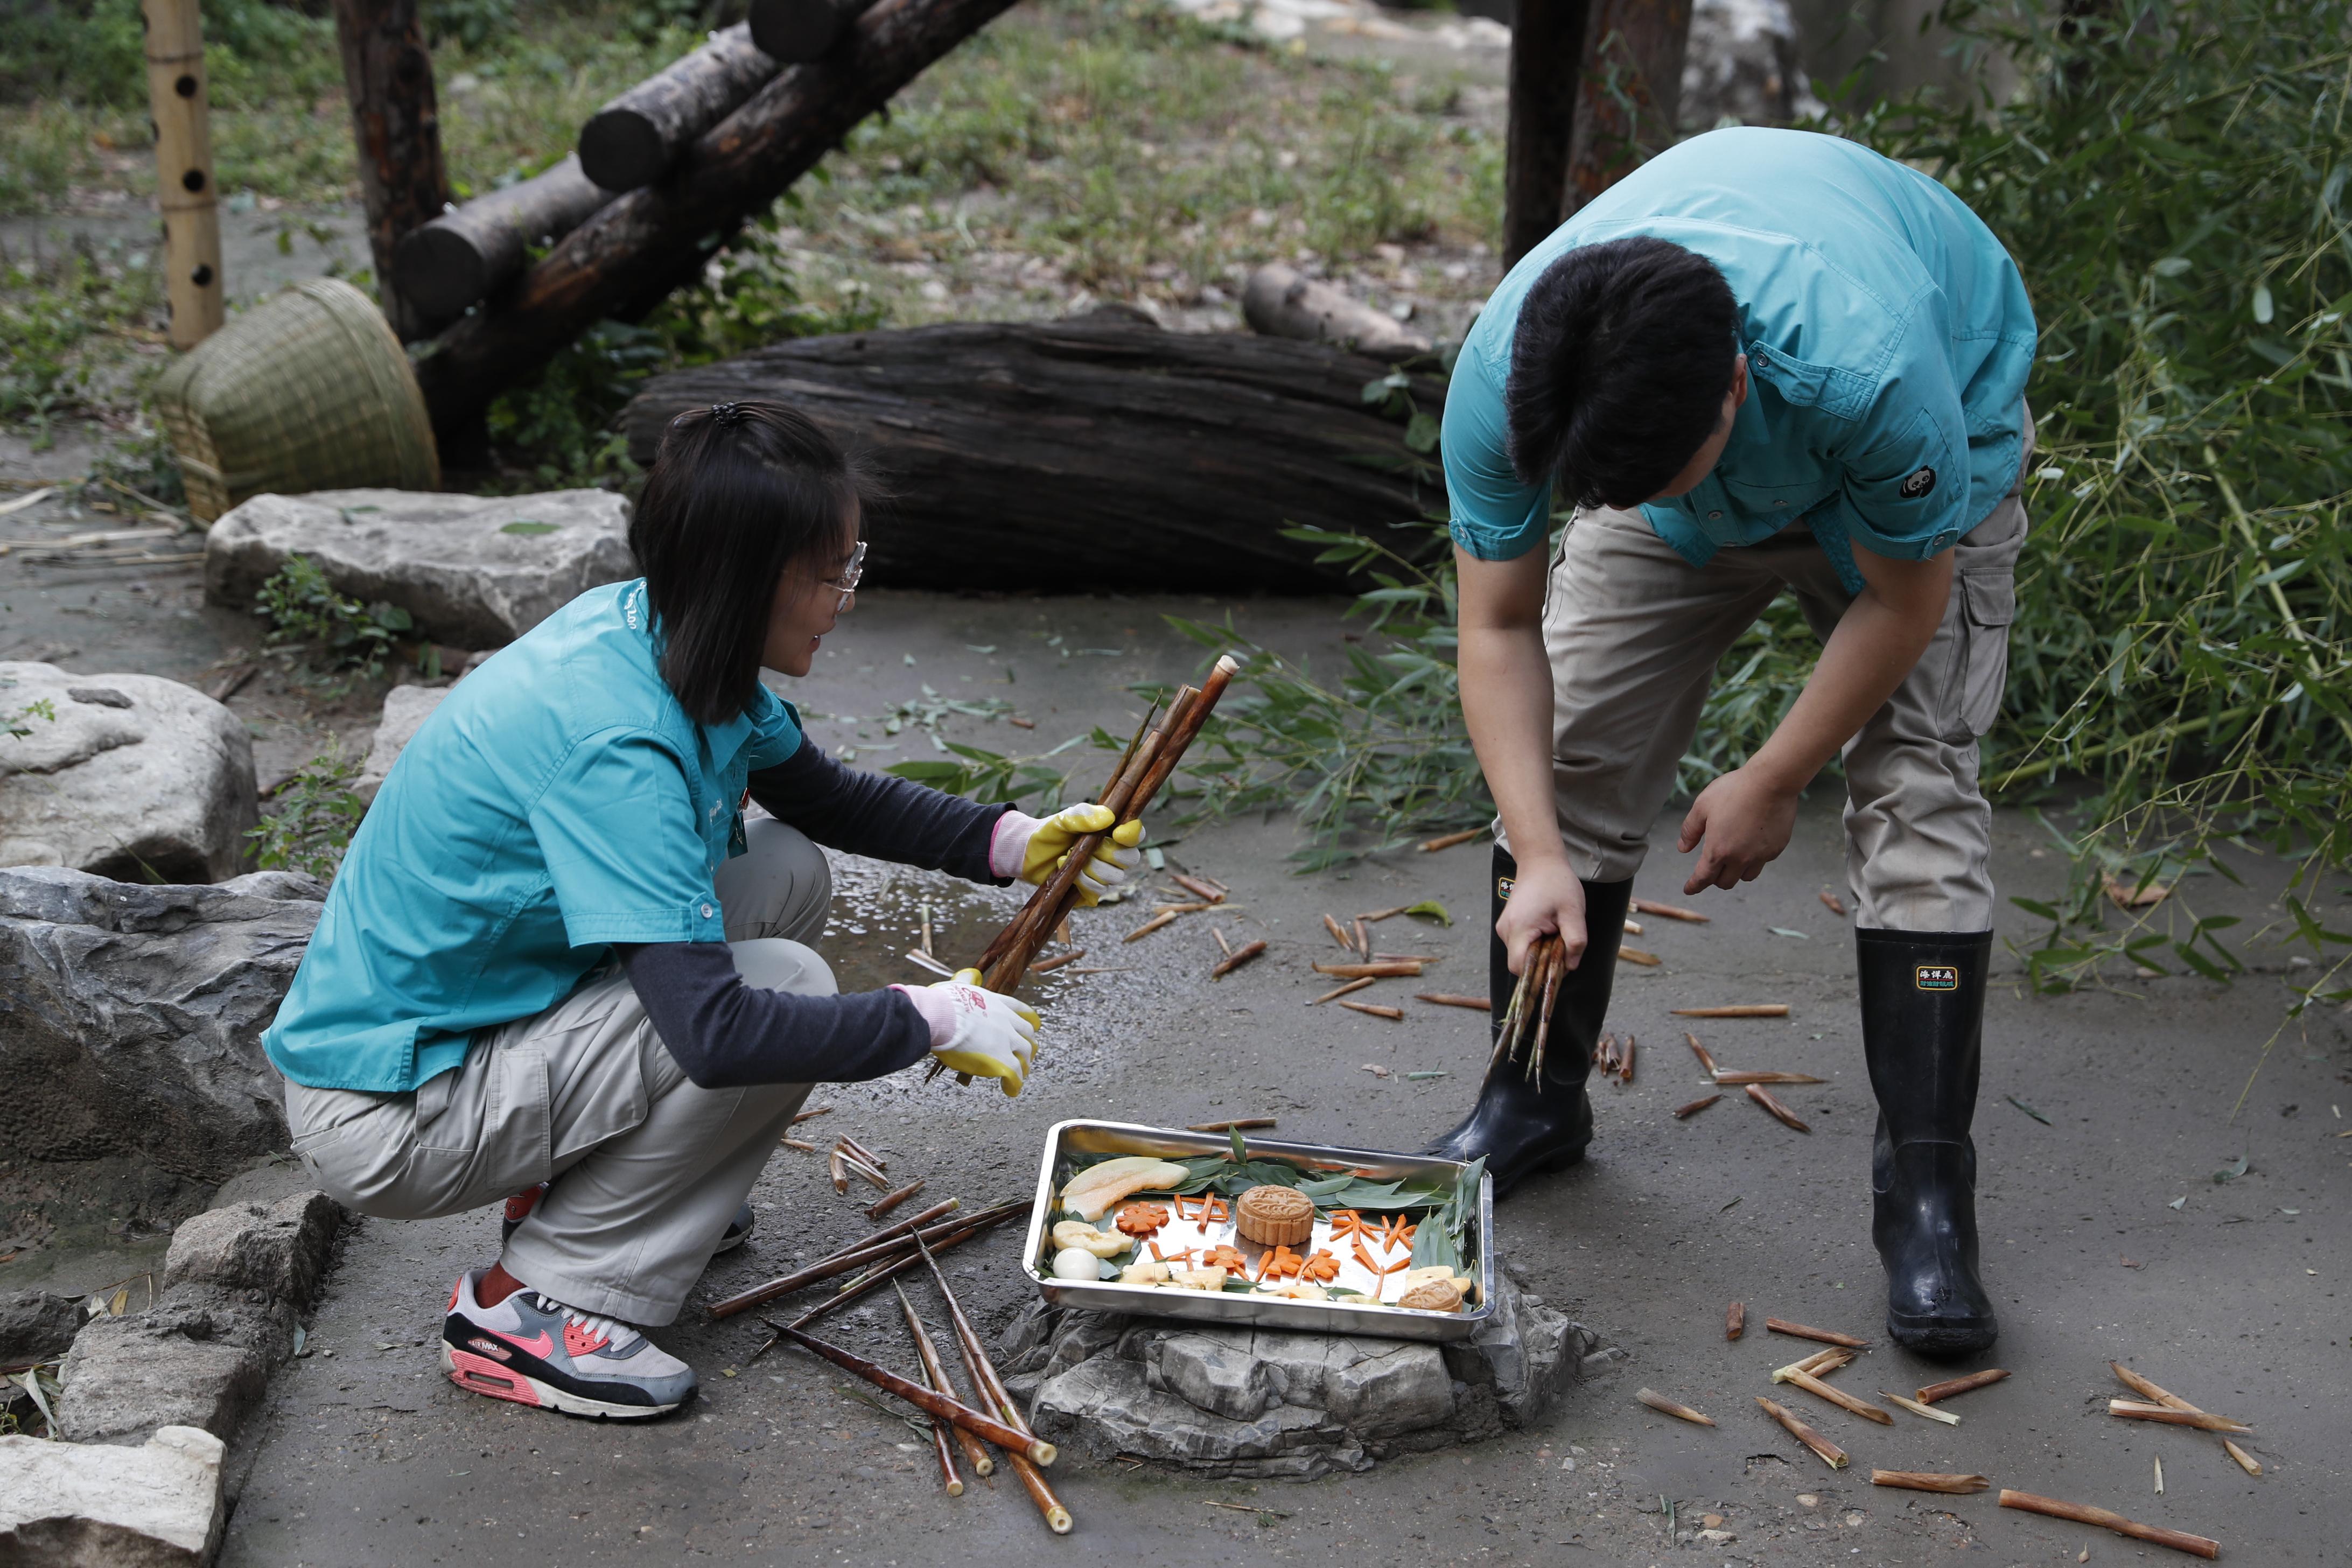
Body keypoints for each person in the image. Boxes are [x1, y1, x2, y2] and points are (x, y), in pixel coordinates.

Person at [267, 402, 1144, 1418]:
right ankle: (528, 1307)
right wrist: (929, 1017)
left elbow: (820, 796)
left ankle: (589, 1190)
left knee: (782, 871)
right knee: (780, 993)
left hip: (484, 1021)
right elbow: (717, 1034)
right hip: (395, 1110)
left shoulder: (665, 632)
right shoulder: (618, 746)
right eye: (833, 571)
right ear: (749, 579)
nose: (846, 597)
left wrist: (1009, 841)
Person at [1422, 128, 2036, 1357]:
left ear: (1738, 391)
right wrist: (1540, 850)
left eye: (1656, 473)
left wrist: (1774, 776)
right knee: (1577, 751)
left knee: (1920, 802)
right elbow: (1496, 624)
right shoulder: (1517, 374)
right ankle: (1531, 1097)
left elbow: (1906, 603)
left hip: (1906, 471)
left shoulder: (1865, 370)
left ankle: (1926, 1196)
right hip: (1670, 444)